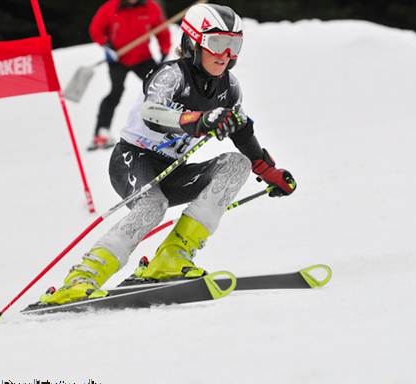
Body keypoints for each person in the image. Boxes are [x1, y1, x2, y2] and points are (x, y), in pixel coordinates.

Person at [41, 3, 297, 304]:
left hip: (173, 169)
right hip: (132, 160)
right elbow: (152, 113)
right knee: (153, 206)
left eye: (233, 45)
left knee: (236, 164)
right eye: (217, 44)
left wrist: (267, 171)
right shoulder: (171, 75)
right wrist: (197, 120)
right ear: (193, 42)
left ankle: (171, 258)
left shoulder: (229, 87)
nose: (225, 55)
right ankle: (81, 277)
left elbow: (241, 128)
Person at [87, 0, 171, 151]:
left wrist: (164, 50)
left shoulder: (150, 7)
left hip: (142, 58)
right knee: (116, 92)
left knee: (159, 89)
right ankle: (101, 132)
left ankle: (167, 127)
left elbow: (161, 31)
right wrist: (107, 46)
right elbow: (96, 29)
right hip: (118, 59)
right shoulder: (111, 7)